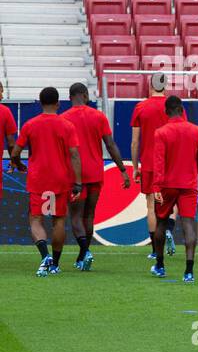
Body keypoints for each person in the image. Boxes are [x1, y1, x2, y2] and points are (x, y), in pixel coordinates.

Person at [13, 87, 82, 277]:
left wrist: (18, 165)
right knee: (58, 220)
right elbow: (74, 155)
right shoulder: (67, 126)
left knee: (36, 219)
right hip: (60, 180)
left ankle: (45, 256)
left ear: (40, 102)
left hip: (38, 179)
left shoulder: (30, 125)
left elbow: (15, 152)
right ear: (58, 103)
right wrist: (78, 182)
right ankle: (55, 264)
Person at [63, 82, 130, 271]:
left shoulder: (64, 119)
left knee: (75, 216)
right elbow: (110, 144)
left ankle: (85, 253)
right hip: (95, 172)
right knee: (89, 215)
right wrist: (122, 170)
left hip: (74, 175)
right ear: (85, 95)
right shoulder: (98, 116)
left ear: (70, 98)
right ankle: (84, 255)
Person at [150, 95, 198, 283]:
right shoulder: (196, 130)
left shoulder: (161, 132)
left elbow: (159, 162)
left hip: (167, 185)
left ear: (166, 112)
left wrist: (156, 186)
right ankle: (189, 271)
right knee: (188, 224)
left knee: (161, 223)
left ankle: (160, 265)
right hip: (188, 184)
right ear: (182, 110)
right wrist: (195, 170)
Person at [131, 72, 185, 258]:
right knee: (173, 201)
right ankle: (168, 229)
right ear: (166, 85)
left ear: (149, 85)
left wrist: (136, 167)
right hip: (172, 162)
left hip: (149, 162)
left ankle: (155, 250)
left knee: (151, 206)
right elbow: (182, 133)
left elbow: (135, 142)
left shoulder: (140, 107)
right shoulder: (175, 106)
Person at [0, 83, 17, 216]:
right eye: (1, 91)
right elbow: (11, 143)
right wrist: (14, 161)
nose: (3, 94)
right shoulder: (5, 111)